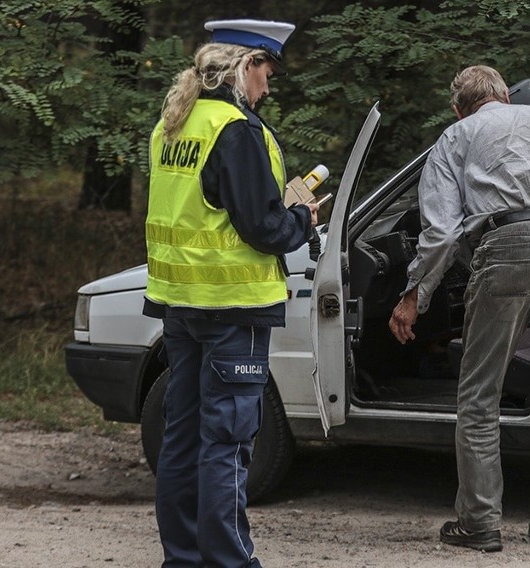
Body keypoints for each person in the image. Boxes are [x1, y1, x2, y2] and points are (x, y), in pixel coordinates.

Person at [389, 65, 530, 553]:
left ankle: (479, 524)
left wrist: (414, 295)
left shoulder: (456, 136)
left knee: (479, 397)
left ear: (459, 107)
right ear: (505, 98)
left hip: (506, 243)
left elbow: (441, 233)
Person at [143, 18, 319, 568]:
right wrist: (301, 218)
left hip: (180, 304)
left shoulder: (171, 124)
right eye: (266, 71)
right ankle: (228, 562)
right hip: (233, 310)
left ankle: (184, 559)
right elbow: (261, 228)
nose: (268, 86)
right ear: (245, 67)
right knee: (226, 444)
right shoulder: (237, 130)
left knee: (183, 439)